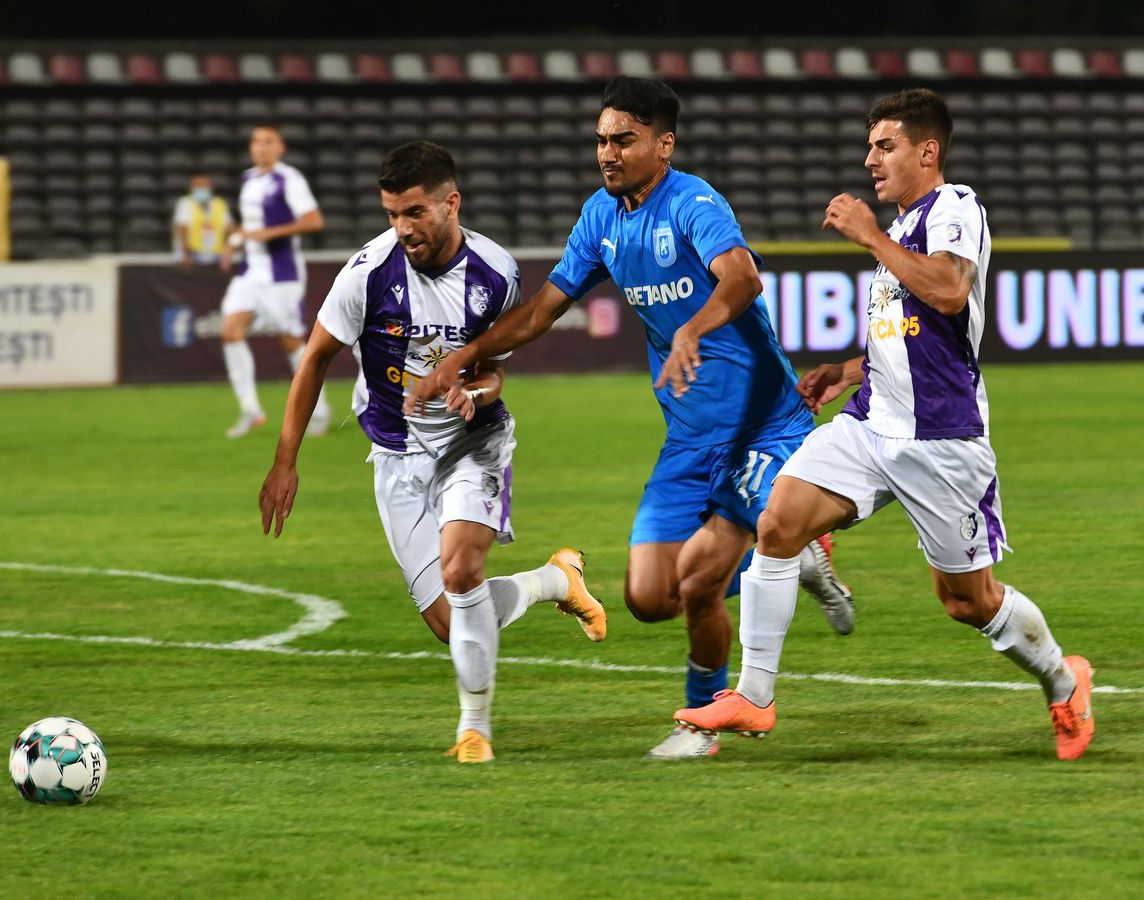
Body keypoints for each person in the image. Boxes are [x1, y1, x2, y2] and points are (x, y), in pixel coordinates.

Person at [406, 76, 854, 760]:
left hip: (762, 422)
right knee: (649, 596)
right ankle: (791, 558)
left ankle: (702, 723)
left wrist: (692, 330)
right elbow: (544, 309)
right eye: (601, 141)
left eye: (624, 139)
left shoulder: (696, 203)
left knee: (701, 582)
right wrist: (462, 356)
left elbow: (741, 278)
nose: (607, 153)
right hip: (688, 436)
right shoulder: (600, 217)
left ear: (663, 146)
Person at [675, 88, 1095, 762]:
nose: (870, 158)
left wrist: (867, 233)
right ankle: (753, 695)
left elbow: (951, 290)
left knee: (966, 601)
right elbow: (907, 330)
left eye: (885, 145)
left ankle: (1062, 680)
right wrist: (847, 370)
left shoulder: (954, 207)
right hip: (871, 425)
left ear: (927, 152)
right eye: (869, 145)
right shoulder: (898, 232)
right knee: (778, 522)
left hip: (941, 440)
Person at [258, 141, 607, 764]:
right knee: (453, 623)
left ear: (452, 203)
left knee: (462, 571)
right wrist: (286, 460)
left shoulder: (495, 273)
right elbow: (314, 358)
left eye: (415, 212)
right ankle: (556, 579)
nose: (403, 228)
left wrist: (475, 388)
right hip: (394, 457)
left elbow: (496, 371)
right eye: (392, 213)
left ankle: (475, 731)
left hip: (473, 443)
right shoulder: (366, 274)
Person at [219, 124, 331, 439]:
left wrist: (268, 233)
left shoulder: (289, 180)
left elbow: (313, 220)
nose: (261, 147)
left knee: (291, 341)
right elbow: (252, 224)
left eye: (268, 142)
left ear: (280, 147)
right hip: (250, 270)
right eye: (256, 141)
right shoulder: (248, 179)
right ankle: (250, 409)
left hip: (282, 272)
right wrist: (236, 240)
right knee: (230, 331)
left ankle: (319, 410)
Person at [172, 173, 233, 266]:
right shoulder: (185, 203)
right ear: (191, 188)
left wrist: (228, 251)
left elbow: (229, 229)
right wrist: (185, 255)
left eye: (204, 185)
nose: (201, 188)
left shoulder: (219, 204)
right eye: (198, 185)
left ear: (211, 187)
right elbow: (182, 230)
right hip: (194, 254)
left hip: (216, 254)